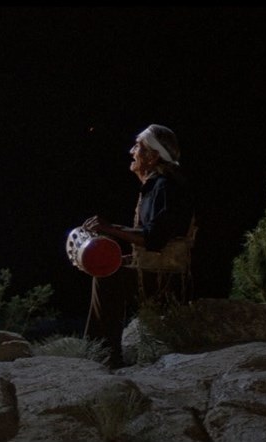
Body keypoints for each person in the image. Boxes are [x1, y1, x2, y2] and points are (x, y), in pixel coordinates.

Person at [81, 124, 195, 367]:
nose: (132, 152)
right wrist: (121, 250)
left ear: (152, 156)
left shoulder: (164, 187)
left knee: (106, 276)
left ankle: (104, 356)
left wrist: (109, 228)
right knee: (110, 266)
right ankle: (101, 353)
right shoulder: (161, 185)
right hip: (162, 272)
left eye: (137, 147)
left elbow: (154, 239)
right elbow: (158, 237)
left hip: (166, 280)